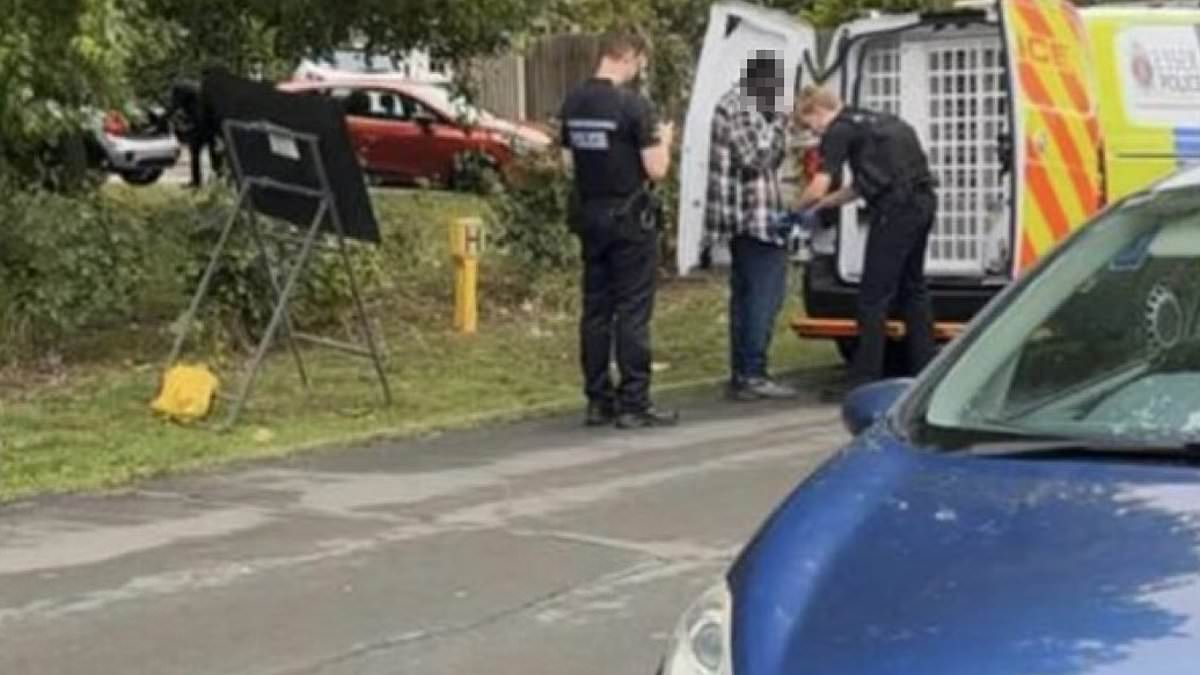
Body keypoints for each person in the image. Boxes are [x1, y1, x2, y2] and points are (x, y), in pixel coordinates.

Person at [559, 30, 678, 430]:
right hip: (629, 219)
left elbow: (567, 164)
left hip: (589, 214)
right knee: (632, 311)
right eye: (640, 62)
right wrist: (665, 140)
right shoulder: (634, 106)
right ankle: (634, 402)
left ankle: (597, 400)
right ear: (628, 56)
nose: (639, 70)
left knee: (595, 311)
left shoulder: (573, 101)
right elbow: (657, 170)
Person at [793, 85, 937, 398]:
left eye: (809, 124)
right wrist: (822, 206)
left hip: (895, 210)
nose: (812, 131)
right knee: (913, 289)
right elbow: (859, 187)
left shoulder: (838, 131)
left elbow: (819, 184)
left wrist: (796, 208)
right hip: (923, 202)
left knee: (874, 295)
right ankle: (926, 371)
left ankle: (864, 380)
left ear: (816, 111)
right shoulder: (875, 120)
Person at [705, 51, 799, 402]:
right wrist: (780, 125)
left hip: (744, 217)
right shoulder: (742, 107)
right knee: (763, 298)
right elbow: (757, 159)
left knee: (746, 299)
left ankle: (743, 372)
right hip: (755, 217)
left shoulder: (739, 104)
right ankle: (753, 373)